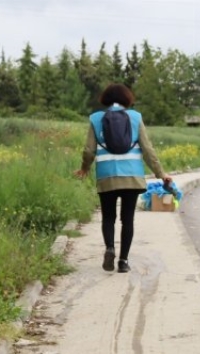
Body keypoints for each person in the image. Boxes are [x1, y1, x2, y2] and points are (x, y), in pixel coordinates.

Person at [74, 83, 172, 273]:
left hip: (107, 176)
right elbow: (147, 149)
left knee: (108, 217)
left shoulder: (95, 119)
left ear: (105, 99)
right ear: (127, 99)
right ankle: (123, 261)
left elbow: (88, 150)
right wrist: (161, 174)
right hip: (132, 177)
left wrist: (84, 168)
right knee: (128, 220)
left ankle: (110, 248)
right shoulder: (135, 117)